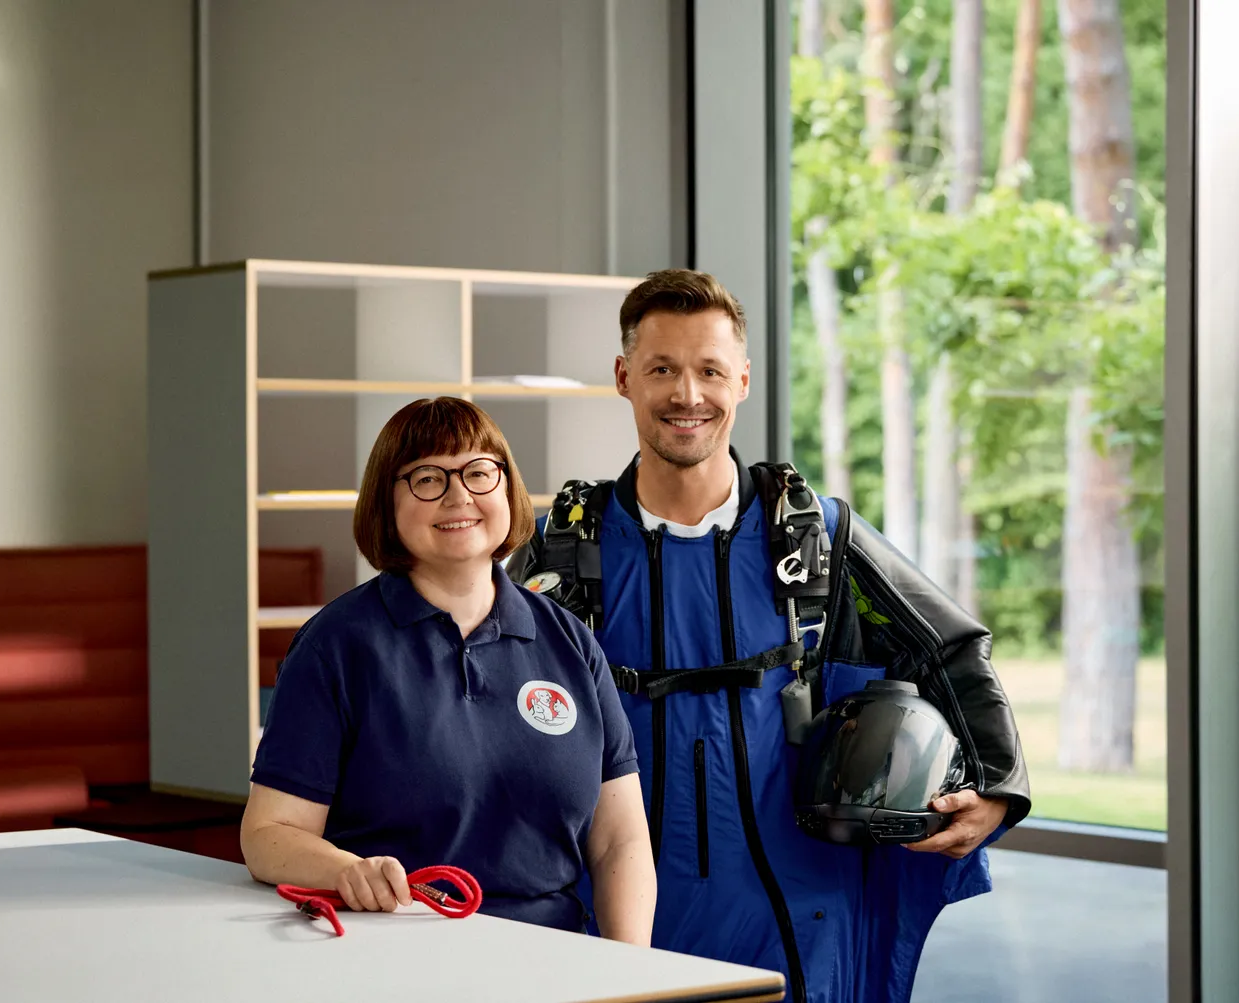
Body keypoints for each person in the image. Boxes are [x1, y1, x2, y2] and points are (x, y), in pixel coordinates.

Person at [506, 270, 1031, 1003]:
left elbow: (947, 647)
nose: (687, 394)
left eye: (710, 370)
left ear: (743, 379)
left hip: (800, 922)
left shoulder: (821, 539)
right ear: (624, 377)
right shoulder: (565, 552)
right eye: (662, 369)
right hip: (613, 922)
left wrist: (998, 785)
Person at [240, 396, 655, 944]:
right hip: (391, 949)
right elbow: (269, 833)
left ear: (507, 488)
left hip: (552, 956)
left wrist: (630, 973)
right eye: (428, 478)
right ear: (386, 503)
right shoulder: (336, 646)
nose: (459, 495)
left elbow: (619, 841)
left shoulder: (569, 642)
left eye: (480, 473)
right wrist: (343, 869)